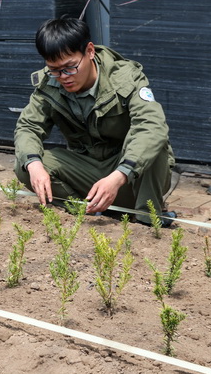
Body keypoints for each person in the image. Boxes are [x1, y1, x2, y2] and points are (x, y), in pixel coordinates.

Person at [13, 16, 176, 224]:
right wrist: (34, 165)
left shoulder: (125, 78)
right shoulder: (49, 84)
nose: (63, 76)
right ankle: (85, 210)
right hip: (87, 172)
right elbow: (28, 127)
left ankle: (147, 219)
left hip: (129, 176)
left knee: (154, 144)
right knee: (26, 164)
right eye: (54, 70)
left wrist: (120, 175)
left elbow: (152, 126)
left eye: (70, 67)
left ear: (90, 51)